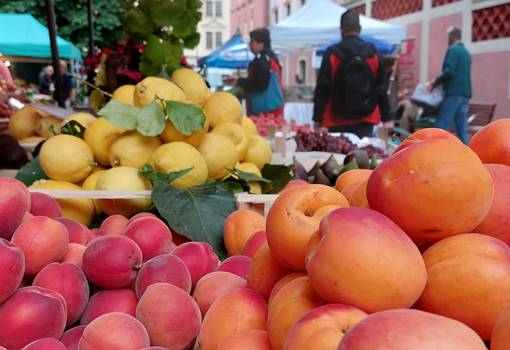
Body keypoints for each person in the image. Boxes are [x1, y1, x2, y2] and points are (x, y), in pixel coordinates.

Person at [313, 10, 393, 138]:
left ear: (341, 29)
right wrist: (387, 118)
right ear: (360, 29)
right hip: (366, 118)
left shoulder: (332, 54)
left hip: (335, 118)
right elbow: (381, 88)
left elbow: (322, 89)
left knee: (339, 155)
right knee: (363, 155)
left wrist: (317, 119)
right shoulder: (373, 53)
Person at [428, 27, 472, 144]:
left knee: (441, 128)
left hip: (453, 93)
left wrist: (435, 82)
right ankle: (466, 156)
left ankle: (436, 153)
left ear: (451, 37)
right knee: (461, 129)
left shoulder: (453, 50)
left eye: (448, 37)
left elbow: (449, 72)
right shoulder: (466, 53)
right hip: (465, 94)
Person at [236, 28, 284, 118]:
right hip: (276, 108)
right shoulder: (273, 58)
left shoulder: (261, 60)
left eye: (252, 41)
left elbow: (258, 84)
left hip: (263, 112)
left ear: (260, 44)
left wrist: (240, 81)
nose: (250, 44)